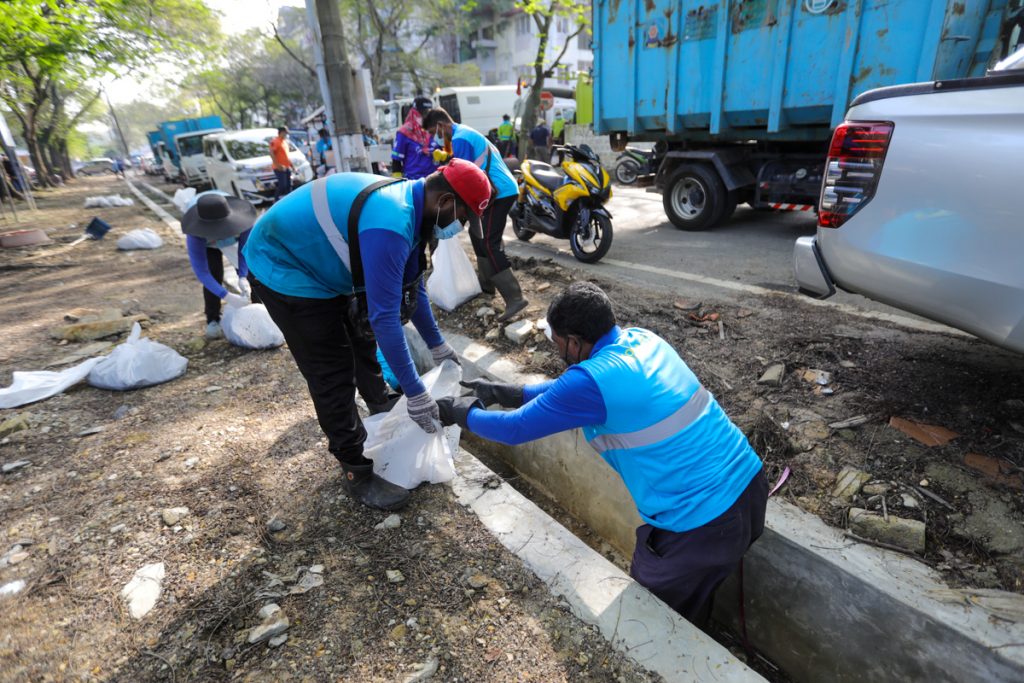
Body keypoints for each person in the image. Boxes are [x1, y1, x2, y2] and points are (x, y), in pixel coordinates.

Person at [437, 282, 768, 625]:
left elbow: (515, 429)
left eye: (558, 343)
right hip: (750, 491)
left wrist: (460, 413)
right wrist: (509, 392)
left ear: (575, 342)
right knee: (695, 598)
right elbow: (570, 391)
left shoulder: (590, 382)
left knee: (655, 619)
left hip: (701, 523)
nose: (558, 352)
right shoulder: (642, 340)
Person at [242, 158, 492, 511]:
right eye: (463, 218)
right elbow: (385, 318)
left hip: (322, 261)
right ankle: (355, 469)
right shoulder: (391, 223)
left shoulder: (417, 212)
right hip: (285, 264)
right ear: (447, 202)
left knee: (360, 339)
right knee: (332, 368)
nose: (460, 227)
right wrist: (416, 392)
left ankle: (378, 403)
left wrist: (437, 345)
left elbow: (412, 285)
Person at [423, 106, 528, 322]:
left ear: (442, 125)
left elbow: (461, 178)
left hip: (499, 192)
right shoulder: (463, 134)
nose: (436, 136)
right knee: (477, 235)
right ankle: (486, 287)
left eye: (435, 131)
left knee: (489, 242)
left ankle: (514, 298)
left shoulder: (461, 139)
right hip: (495, 191)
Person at [180, 191, 258, 339]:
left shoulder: (244, 220)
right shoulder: (195, 232)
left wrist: (242, 276)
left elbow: (245, 252)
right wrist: (226, 295)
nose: (219, 233)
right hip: (209, 245)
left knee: (252, 273)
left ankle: (258, 309)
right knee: (213, 272)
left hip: (233, 237)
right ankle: (213, 319)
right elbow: (202, 272)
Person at [390, 97, 437, 180]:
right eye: (423, 113)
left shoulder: (432, 130)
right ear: (414, 112)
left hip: (433, 180)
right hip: (413, 181)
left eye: (428, 113)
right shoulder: (404, 132)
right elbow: (396, 160)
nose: (426, 116)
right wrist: (397, 181)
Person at [269, 127, 294, 201]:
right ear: (281, 132)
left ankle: (290, 201)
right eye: (285, 133)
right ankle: (276, 201)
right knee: (283, 185)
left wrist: (292, 165)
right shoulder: (275, 141)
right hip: (279, 168)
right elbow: (271, 153)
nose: (286, 134)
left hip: (287, 167)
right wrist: (277, 165)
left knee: (289, 186)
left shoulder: (284, 142)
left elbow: (286, 156)